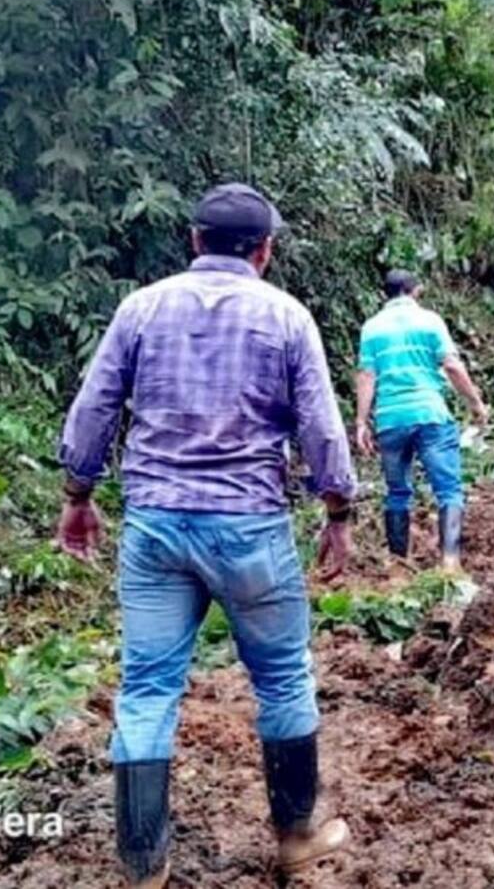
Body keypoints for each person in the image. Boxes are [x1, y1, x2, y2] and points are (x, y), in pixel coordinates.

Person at [56, 183, 353, 889]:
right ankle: (297, 837)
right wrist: (337, 514)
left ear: (194, 241)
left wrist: (78, 495)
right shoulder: (286, 317)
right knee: (282, 678)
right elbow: (320, 427)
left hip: (156, 525)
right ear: (266, 251)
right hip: (250, 526)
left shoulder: (141, 309)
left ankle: (142, 865)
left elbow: (95, 405)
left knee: (147, 688)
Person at [354, 270, 488, 572]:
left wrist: (361, 422)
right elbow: (452, 366)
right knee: (448, 489)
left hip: (390, 419)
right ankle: (450, 563)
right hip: (431, 415)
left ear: (385, 294)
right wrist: (476, 404)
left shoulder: (371, 328)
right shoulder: (430, 321)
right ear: (414, 291)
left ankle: (399, 564)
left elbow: (366, 374)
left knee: (397, 492)